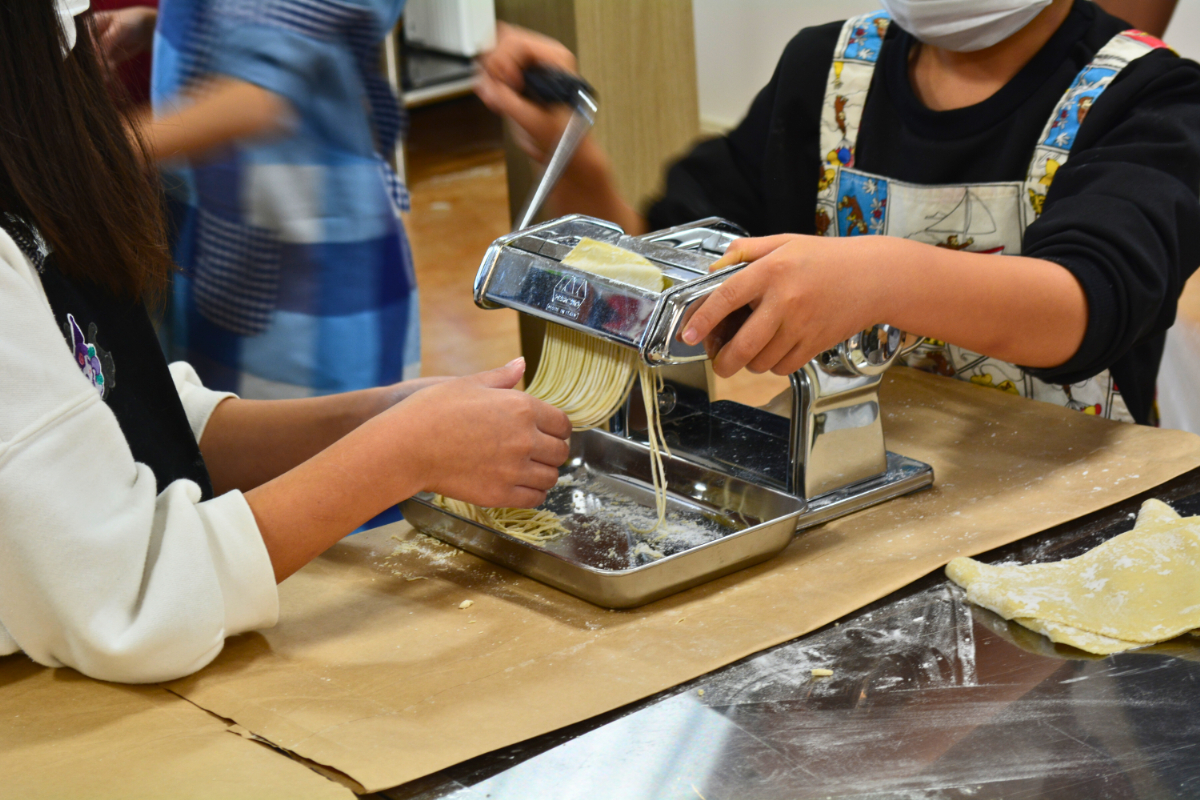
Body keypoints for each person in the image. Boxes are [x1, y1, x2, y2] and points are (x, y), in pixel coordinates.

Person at [0, 0, 570, 684]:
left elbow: (129, 416)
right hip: (244, 263)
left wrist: (382, 419)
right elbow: (133, 600)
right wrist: (402, 448)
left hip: (313, 273)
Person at [476, 0, 1200, 425]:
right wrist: (573, 160)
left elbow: (1084, 305)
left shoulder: (1151, 99)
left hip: (1073, 530)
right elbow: (668, 264)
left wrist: (879, 279)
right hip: (869, 517)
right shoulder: (829, 73)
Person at [118, 0, 420, 399]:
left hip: (305, 291)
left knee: (325, 442)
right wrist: (160, 26)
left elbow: (256, 97)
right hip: (228, 255)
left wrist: (89, 151)